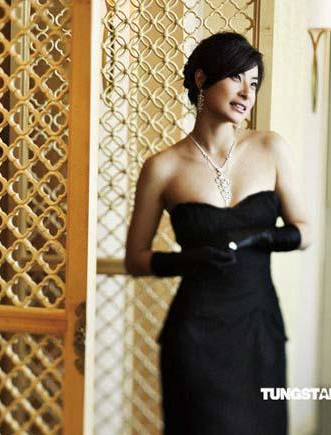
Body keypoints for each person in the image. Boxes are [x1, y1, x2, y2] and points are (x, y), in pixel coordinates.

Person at [123, 32, 313, 434]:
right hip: (196, 336)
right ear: (201, 79)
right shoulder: (162, 167)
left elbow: (305, 231)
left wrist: (264, 239)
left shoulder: (271, 148)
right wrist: (188, 260)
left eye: (254, 83)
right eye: (236, 77)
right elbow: (135, 259)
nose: (247, 93)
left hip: (259, 331)